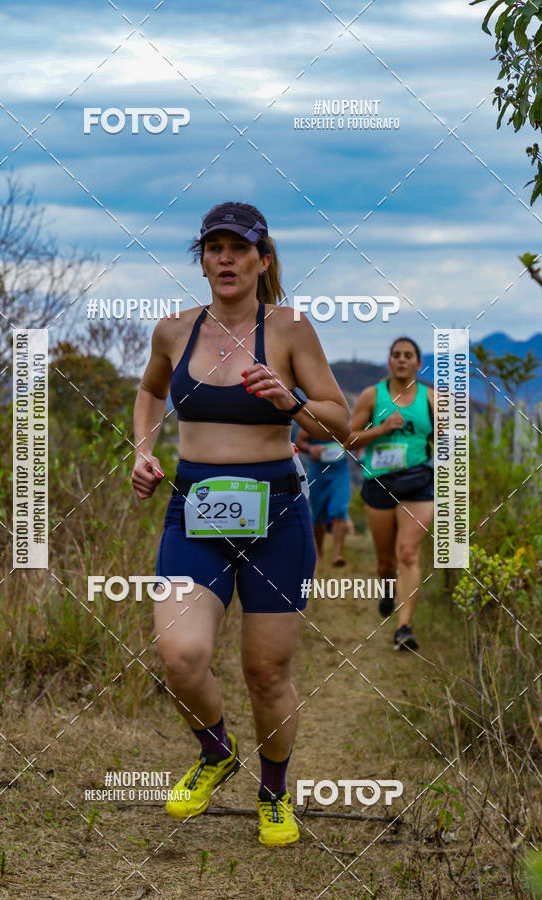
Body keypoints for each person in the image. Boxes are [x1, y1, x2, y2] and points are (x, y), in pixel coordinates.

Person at [131, 202, 350, 846]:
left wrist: (293, 401)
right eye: (214, 248)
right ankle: (216, 752)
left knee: (266, 672)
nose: (225, 258)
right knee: (181, 656)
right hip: (194, 509)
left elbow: (340, 421)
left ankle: (274, 793)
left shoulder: (290, 330)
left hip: (277, 515)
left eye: (239, 247)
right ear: (201, 261)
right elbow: (150, 392)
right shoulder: (173, 331)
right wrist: (143, 451)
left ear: (263, 258)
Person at [345, 337, 434, 651]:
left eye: (408, 355)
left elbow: (448, 445)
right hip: (379, 484)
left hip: (418, 483)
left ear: (418, 363)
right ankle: (387, 588)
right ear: (389, 362)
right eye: (396, 355)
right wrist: (382, 428)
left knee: (407, 553)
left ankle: (404, 628)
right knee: (385, 562)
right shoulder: (372, 396)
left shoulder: (431, 399)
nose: (401, 360)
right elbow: (349, 440)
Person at [294, 428, 350, 566]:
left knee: (340, 509)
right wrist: (311, 449)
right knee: (319, 515)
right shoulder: (314, 422)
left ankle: (337, 554)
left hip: (340, 471)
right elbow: (299, 440)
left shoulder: (343, 421)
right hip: (318, 471)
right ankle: (319, 552)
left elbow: (355, 436)